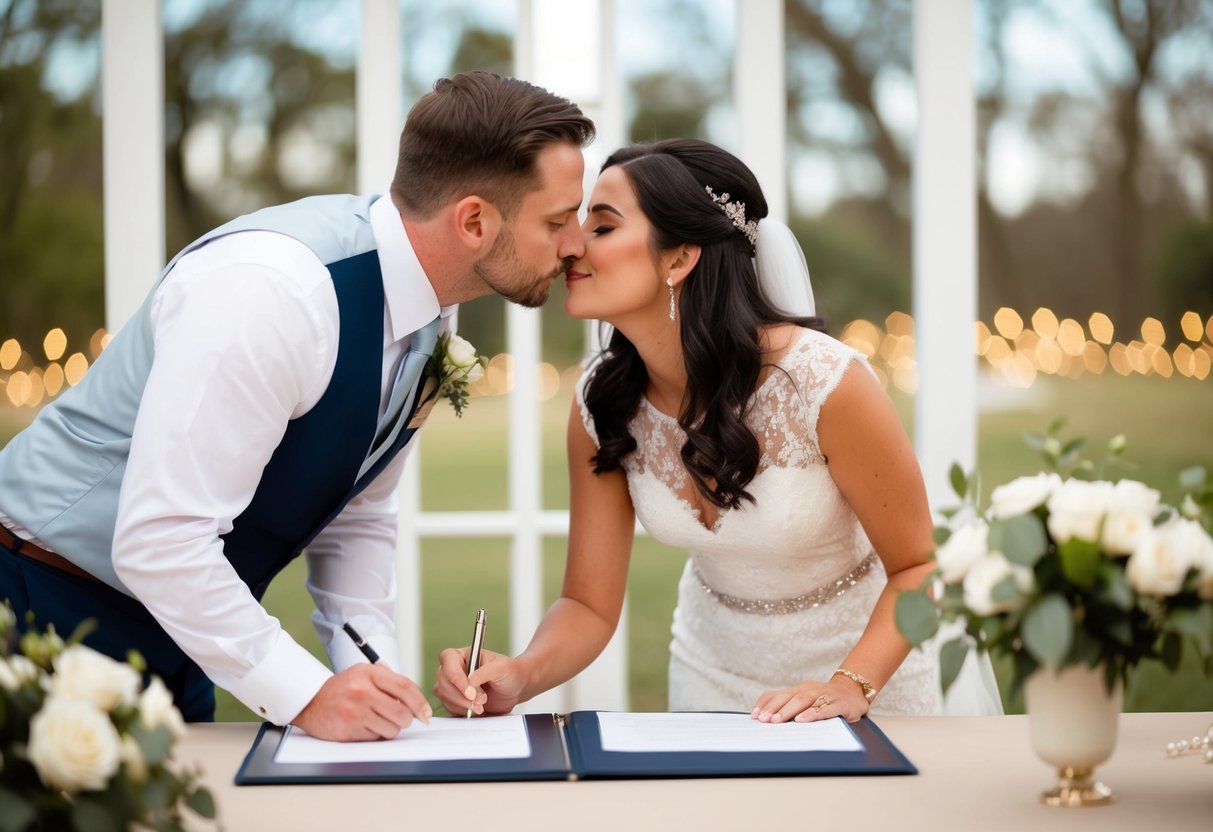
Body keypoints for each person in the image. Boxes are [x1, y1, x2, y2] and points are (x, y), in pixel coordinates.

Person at [0, 71, 594, 740]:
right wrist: (308, 694)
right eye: (557, 219)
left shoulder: (432, 314)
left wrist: (375, 681)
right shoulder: (274, 294)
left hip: (186, 628)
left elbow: (357, 515)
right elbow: (161, 536)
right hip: (38, 603)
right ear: (474, 221)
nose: (575, 243)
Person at [434, 138, 1002, 722]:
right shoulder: (600, 405)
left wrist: (850, 685)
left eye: (602, 227)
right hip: (711, 679)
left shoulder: (826, 383)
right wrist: (522, 674)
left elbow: (919, 565)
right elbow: (588, 604)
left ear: (680, 258)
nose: (572, 244)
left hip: (864, 678)